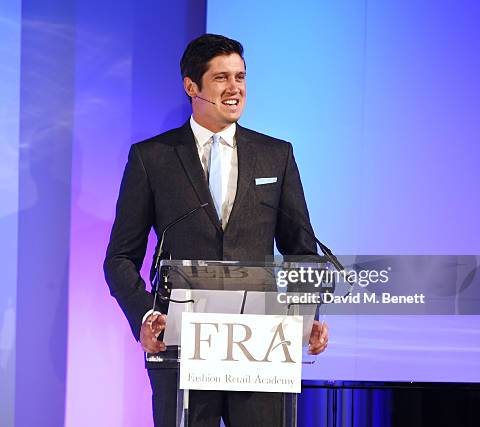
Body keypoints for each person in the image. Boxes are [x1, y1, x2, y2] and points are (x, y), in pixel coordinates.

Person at [104, 33, 329, 427]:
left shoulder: (276, 155)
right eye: (221, 78)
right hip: (181, 342)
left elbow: (303, 251)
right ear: (192, 86)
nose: (234, 89)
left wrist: (303, 313)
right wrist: (146, 315)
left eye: (240, 77)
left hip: (260, 346)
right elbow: (121, 257)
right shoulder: (152, 158)